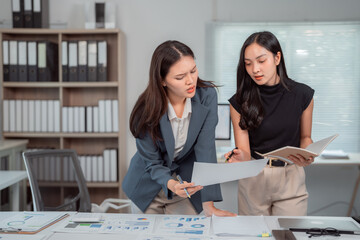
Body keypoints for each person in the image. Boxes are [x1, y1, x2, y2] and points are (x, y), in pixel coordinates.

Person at [122, 40, 236, 217]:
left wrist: (209, 204)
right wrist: (171, 184)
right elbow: (152, 162)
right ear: (162, 81)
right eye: (180, 77)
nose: (191, 81)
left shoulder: (207, 96)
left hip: (185, 187)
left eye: (193, 71)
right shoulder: (145, 109)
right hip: (147, 184)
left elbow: (206, 149)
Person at [225, 31, 315, 216]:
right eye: (248, 64)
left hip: (291, 177)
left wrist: (308, 154)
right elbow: (245, 152)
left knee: (288, 235)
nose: (255, 69)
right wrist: (238, 158)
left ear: (277, 58)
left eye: (261, 61)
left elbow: (306, 137)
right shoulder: (239, 102)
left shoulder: (303, 95)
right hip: (254, 178)